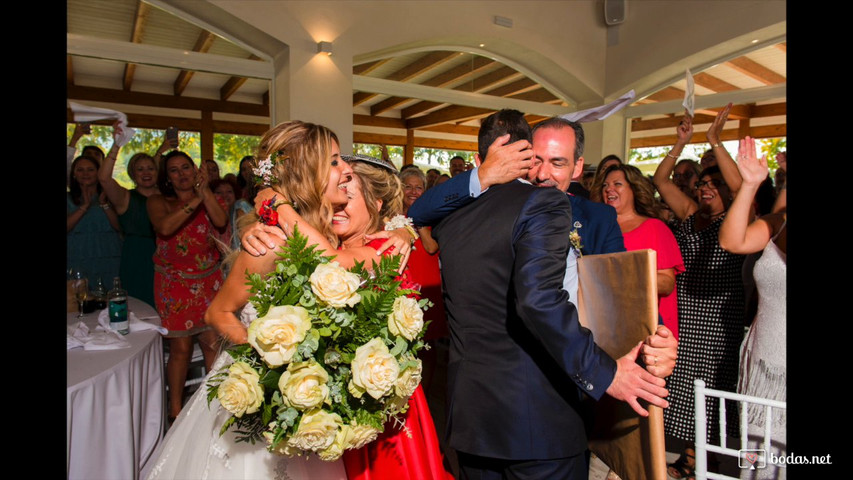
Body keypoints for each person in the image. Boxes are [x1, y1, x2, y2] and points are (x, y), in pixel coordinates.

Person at [424, 109, 673, 478]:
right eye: (535, 160)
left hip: (549, 397)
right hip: (531, 406)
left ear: (577, 167)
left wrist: (657, 336)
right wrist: (482, 175)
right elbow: (535, 300)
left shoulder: (598, 218)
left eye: (557, 163)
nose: (543, 173)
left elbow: (620, 293)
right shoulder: (489, 207)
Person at [652, 107, 747, 478]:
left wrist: (715, 140)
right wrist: (680, 142)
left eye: (715, 183)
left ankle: (702, 461)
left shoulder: (738, 214)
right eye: (703, 183)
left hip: (718, 316)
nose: (706, 187)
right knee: (686, 390)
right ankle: (691, 458)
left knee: (710, 392)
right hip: (687, 314)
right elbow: (661, 179)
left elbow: (741, 187)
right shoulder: (690, 212)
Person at [719, 138, 786, 480]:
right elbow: (733, 241)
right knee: (758, 465)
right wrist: (748, 185)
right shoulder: (780, 222)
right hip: (762, 366)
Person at [147, 150, 228, 421]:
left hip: (209, 280)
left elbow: (220, 221)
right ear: (167, 177)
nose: (182, 174)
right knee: (180, 349)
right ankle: (175, 410)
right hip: (174, 284)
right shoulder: (157, 201)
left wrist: (204, 193)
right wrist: (196, 198)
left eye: (186, 167)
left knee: (212, 342)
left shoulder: (209, 198)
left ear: (196, 171)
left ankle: (215, 408)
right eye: (174, 170)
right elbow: (166, 228)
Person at [593, 163, 685, 339]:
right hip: (604, 326)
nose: (609, 189)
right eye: (605, 185)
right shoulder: (597, 229)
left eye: (617, 184)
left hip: (645, 329)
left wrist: (626, 276)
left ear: (634, 189)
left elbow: (667, 283)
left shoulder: (655, 228)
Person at [97, 124, 160, 307]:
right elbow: (104, 179)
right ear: (133, 174)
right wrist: (116, 145)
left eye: (150, 168)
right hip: (137, 256)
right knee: (140, 306)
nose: (146, 173)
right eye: (140, 169)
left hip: (165, 255)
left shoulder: (168, 198)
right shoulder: (125, 198)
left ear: (157, 172)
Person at [399, 166, 446, 396]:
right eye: (408, 186)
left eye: (418, 187)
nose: (413, 191)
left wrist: (417, 221)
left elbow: (431, 246)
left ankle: (425, 395)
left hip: (427, 285)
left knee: (428, 345)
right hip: (405, 283)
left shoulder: (431, 215)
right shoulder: (391, 217)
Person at [67, 154, 123, 286]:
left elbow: (120, 227)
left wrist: (104, 204)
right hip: (77, 256)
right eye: (80, 170)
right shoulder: (68, 198)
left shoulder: (110, 195)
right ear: (74, 174)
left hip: (109, 255)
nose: (85, 173)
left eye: (90, 169)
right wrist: (84, 207)